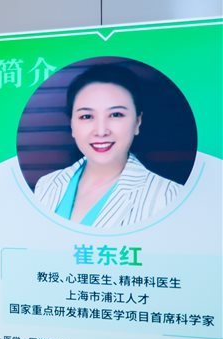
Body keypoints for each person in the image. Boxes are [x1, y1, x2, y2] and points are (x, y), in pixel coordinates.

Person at [34, 64, 182, 227]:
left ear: (137, 122)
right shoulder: (47, 184)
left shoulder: (169, 195)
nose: (101, 131)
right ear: (72, 125)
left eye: (116, 114)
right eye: (86, 116)